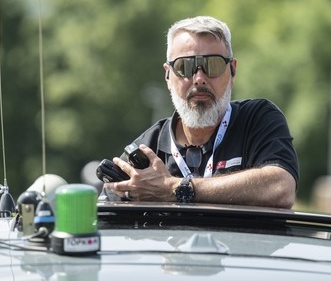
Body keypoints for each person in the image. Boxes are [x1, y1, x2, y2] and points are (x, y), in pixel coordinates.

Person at [102, 16, 299, 209]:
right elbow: (105, 221)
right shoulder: (146, 152)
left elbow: (281, 187)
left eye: (212, 65)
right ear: (168, 76)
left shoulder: (258, 120)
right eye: (185, 66)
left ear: (232, 71)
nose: (199, 79)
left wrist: (175, 189)